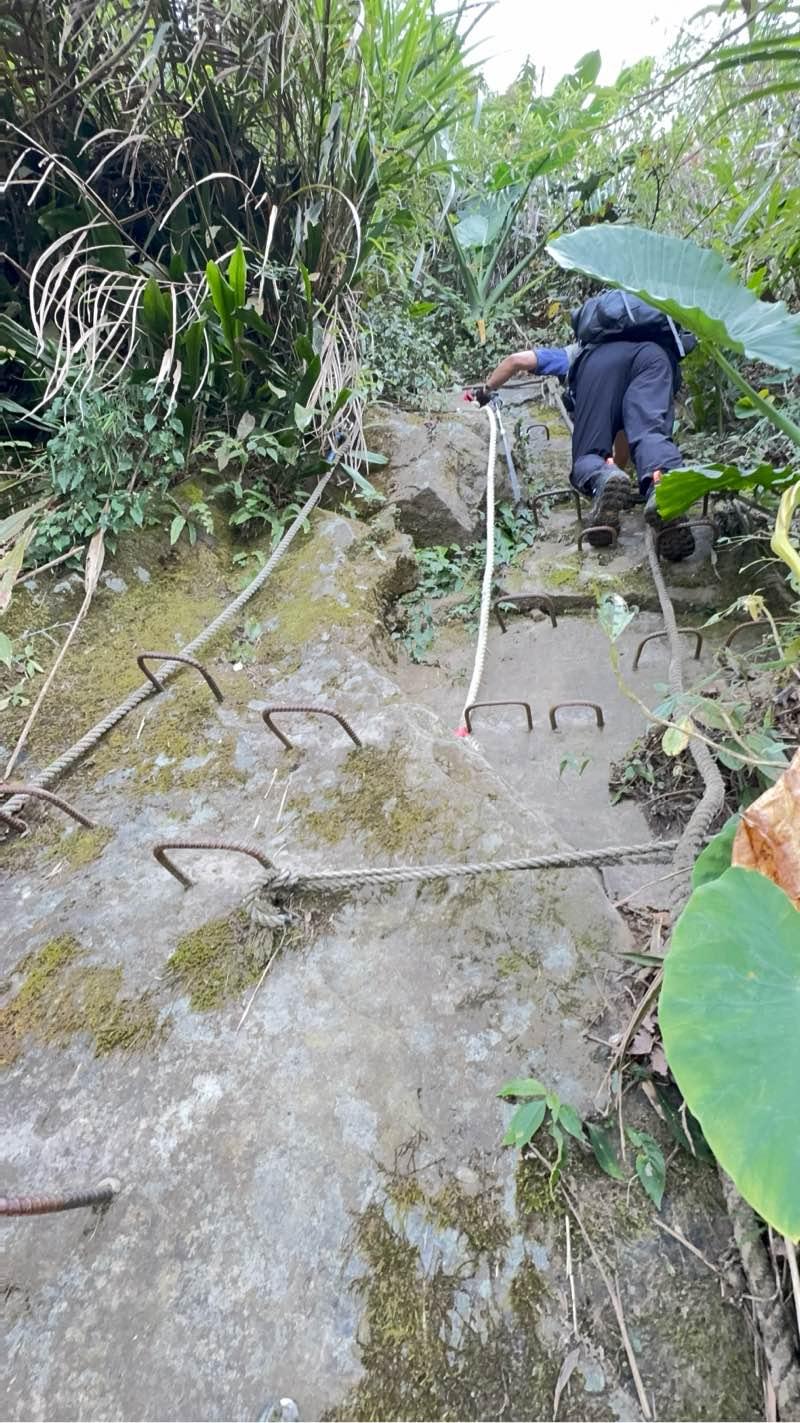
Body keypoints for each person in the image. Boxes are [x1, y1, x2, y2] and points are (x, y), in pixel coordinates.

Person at [470, 291, 695, 558]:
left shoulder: (574, 353)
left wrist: (485, 391)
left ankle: (599, 474)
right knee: (650, 433)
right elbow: (626, 434)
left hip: (598, 365)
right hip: (655, 358)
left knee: (589, 455)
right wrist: (619, 471)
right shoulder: (649, 341)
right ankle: (662, 485)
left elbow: (515, 361)